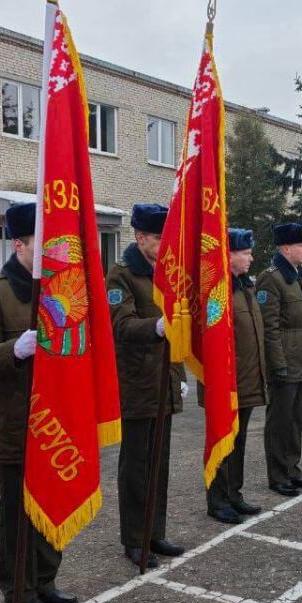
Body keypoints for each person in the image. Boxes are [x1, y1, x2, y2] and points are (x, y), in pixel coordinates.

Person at [0, 202, 75, 603]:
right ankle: (17, 589)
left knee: (54, 503)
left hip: (59, 419)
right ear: (19, 244)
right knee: (16, 512)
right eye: (41, 244)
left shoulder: (61, 286)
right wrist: (16, 348)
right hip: (18, 421)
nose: (51, 254)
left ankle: (45, 580)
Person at [107, 204, 187, 568]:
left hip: (163, 382)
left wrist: (180, 377)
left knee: (161, 461)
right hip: (137, 383)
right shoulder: (121, 276)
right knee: (137, 465)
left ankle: (156, 531)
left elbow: (179, 329)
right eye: (158, 238)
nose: (164, 244)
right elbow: (120, 327)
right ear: (140, 238)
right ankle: (135, 539)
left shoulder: (165, 272)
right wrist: (156, 328)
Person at [204, 228, 267, 525]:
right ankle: (217, 500)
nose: (251, 257)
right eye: (246, 252)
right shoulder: (218, 289)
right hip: (226, 381)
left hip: (247, 378)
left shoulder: (244, 286)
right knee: (223, 441)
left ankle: (234, 493)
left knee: (238, 442)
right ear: (229, 255)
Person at [257, 223, 302, 497]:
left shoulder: (299, 275)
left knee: (295, 420)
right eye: (300, 245)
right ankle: (278, 474)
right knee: (280, 421)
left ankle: (293, 470)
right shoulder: (271, 278)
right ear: (285, 248)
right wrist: (278, 364)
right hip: (285, 363)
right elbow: (269, 327)